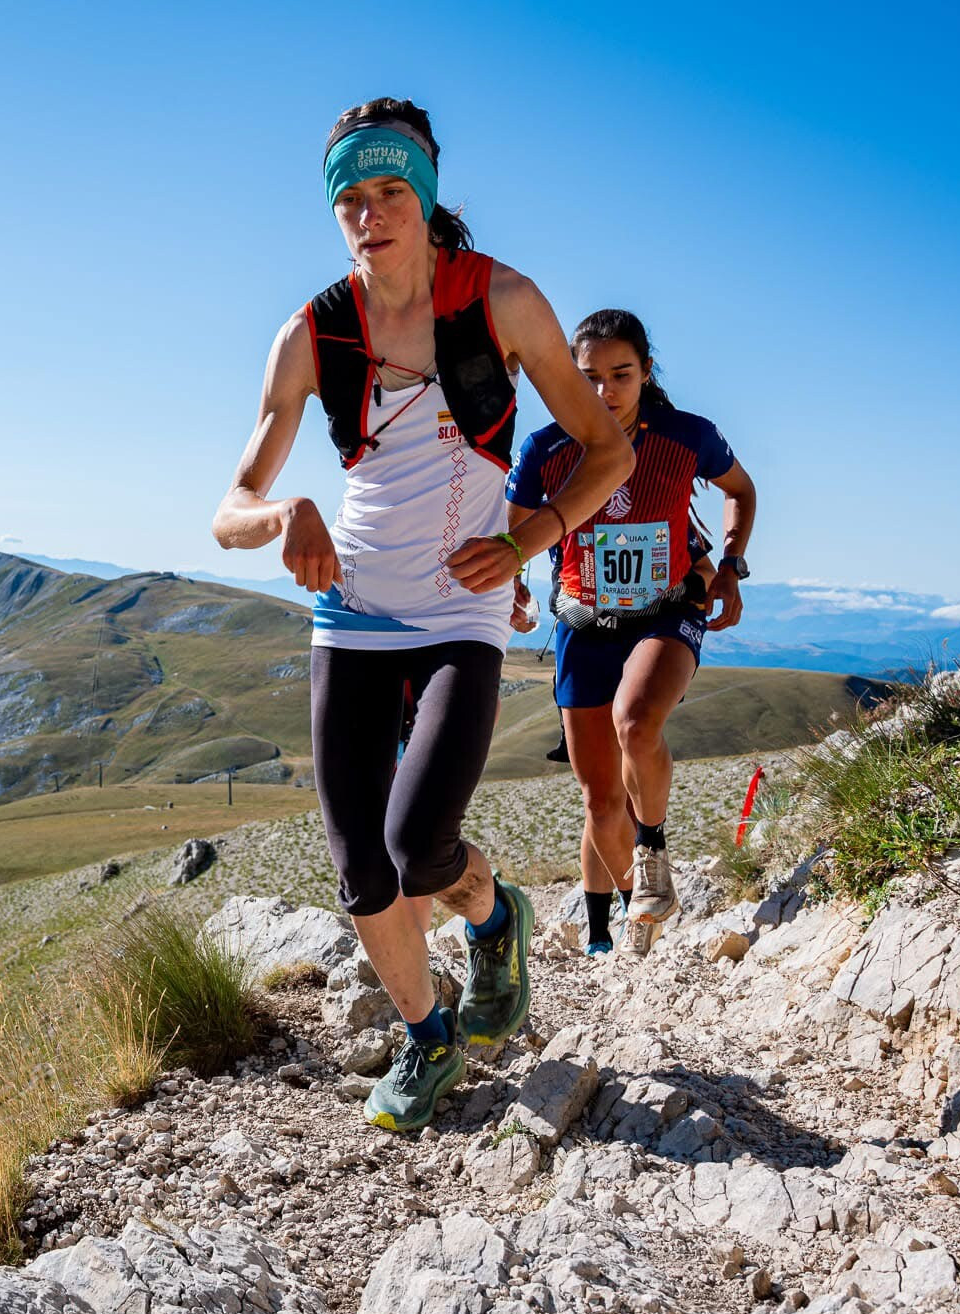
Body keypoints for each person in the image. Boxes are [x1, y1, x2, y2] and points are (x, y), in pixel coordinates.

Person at [211, 99, 633, 1132]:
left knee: (418, 846)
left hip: (462, 608)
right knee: (359, 863)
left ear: (425, 192)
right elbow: (228, 511)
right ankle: (426, 1039)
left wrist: (529, 540)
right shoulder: (310, 333)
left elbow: (604, 451)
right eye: (348, 199)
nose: (368, 214)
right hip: (352, 606)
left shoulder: (500, 300)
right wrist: (286, 512)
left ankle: (494, 920)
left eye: (388, 190)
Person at [505, 310, 758, 955]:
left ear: (647, 372)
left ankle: (652, 851)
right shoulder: (545, 449)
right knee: (597, 802)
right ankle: (633, 917)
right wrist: (514, 589)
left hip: (666, 613)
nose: (603, 392)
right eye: (586, 378)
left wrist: (729, 562)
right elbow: (512, 536)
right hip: (583, 625)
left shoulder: (686, 435)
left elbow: (741, 490)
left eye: (620, 375)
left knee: (636, 722)